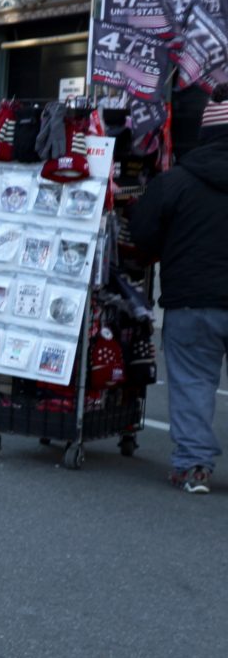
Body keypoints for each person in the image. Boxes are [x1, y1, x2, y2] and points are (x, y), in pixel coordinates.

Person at [126, 89, 228, 494]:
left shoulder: (176, 182)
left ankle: (193, 466)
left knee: (193, 383)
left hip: (191, 302)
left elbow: (143, 235)